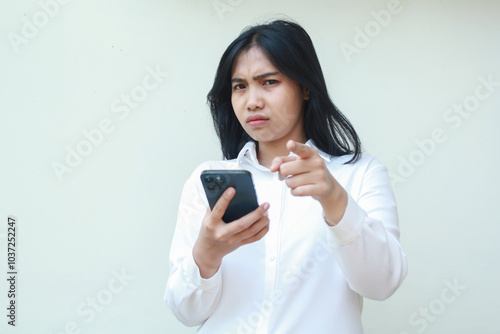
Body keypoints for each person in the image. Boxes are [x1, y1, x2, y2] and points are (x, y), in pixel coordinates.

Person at [165, 19, 407, 333]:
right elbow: (187, 313)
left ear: (305, 87)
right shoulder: (207, 181)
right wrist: (206, 254)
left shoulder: (358, 174)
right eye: (240, 86)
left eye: (269, 82)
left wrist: (335, 201)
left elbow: (382, 284)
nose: (252, 100)